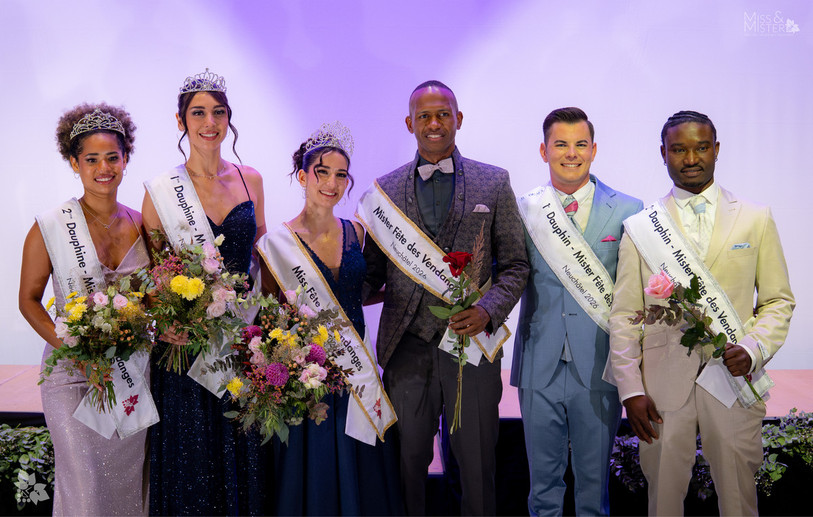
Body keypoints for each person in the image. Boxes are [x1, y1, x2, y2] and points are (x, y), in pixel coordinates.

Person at [609, 110, 795, 515]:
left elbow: (778, 300)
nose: (690, 158)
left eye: (701, 147)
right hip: (659, 389)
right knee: (662, 502)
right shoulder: (640, 228)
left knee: (739, 501)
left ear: (716, 150)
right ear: (663, 153)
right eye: (678, 149)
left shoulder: (755, 218)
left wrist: (754, 347)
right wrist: (631, 390)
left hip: (732, 381)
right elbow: (624, 315)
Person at [358, 80, 529, 515]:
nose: (434, 124)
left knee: (476, 467)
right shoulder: (385, 190)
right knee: (407, 465)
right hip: (406, 350)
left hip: (471, 349)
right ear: (409, 123)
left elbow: (515, 265)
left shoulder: (494, 182)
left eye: (443, 114)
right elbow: (372, 274)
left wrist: (488, 309)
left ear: (458, 119)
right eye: (424, 116)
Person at [254, 122, 402, 515]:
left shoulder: (358, 232)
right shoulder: (275, 245)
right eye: (322, 173)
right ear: (303, 176)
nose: (332, 184)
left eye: (341, 175)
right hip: (309, 379)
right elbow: (269, 317)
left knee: (363, 470)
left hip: (357, 371)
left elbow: (365, 290)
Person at [142, 68, 268, 515]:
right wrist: (167, 321)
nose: (209, 122)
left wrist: (266, 331)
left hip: (237, 342)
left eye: (218, 112)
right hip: (185, 352)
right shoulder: (161, 190)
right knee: (191, 461)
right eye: (198, 113)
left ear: (229, 117)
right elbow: (152, 275)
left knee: (237, 449)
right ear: (181, 122)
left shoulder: (250, 179)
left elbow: (262, 259)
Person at [510, 107, 643, 515]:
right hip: (539, 364)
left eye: (580, 144)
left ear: (594, 149)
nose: (571, 153)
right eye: (561, 144)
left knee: (592, 490)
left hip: (600, 365)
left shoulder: (628, 208)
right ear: (543, 150)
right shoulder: (523, 209)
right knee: (543, 489)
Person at [19, 103, 150, 515]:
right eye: (91, 159)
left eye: (112, 157)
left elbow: (154, 296)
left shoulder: (144, 225)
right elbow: (28, 300)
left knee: (130, 489)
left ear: (125, 159)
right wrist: (79, 353)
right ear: (75, 163)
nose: (103, 168)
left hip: (130, 374)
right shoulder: (51, 226)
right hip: (72, 375)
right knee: (85, 489)